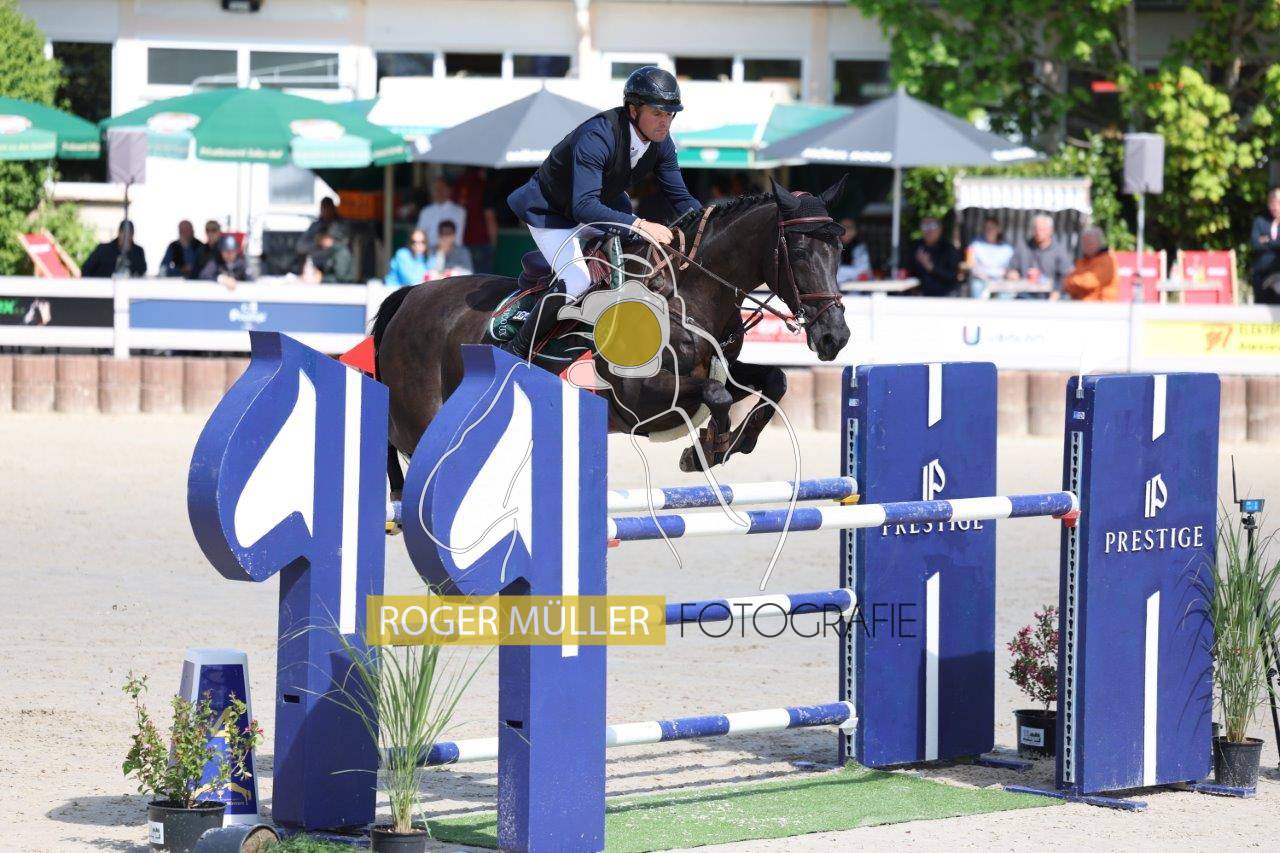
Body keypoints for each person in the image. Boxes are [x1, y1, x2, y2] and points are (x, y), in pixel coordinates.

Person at [504, 65, 702, 358]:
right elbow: (584, 206)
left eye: (671, 114)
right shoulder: (597, 136)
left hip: (600, 207)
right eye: (658, 113)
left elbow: (681, 197)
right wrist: (640, 224)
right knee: (578, 280)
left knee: (641, 259)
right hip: (552, 213)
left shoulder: (661, 144)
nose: (666, 122)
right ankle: (516, 350)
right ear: (633, 110)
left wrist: (710, 224)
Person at [1008, 213, 1073, 297]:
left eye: (1042, 229)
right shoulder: (1023, 247)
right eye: (1036, 229)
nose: (1039, 232)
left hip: (1050, 296)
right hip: (1025, 295)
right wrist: (1012, 273)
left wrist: (1056, 292)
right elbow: (1011, 268)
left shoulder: (1059, 251)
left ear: (1051, 230)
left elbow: (1067, 274)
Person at [901, 217, 960, 297]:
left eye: (932, 226)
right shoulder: (916, 247)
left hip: (944, 295)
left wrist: (930, 267)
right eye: (925, 227)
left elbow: (952, 276)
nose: (929, 231)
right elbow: (908, 271)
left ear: (940, 229)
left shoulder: (948, 249)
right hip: (920, 296)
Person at [455, 167, 499, 273]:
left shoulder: (458, 185)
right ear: (482, 170)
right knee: (483, 280)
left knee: (463, 279)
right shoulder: (483, 187)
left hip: (459, 242)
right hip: (480, 242)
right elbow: (489, 217)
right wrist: (493, 243)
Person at [1063, 227, 1119, 302]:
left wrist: (1072, 281)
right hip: (1081, 304)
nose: (1087, 246)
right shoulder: (1083, 261)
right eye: (1084, 242)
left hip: (1102, 305)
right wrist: (1071, 282)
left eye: (1090, 242)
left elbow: (1091, 281)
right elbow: (1066, 284)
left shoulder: (1107, 259)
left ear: (1099, 242)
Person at [966, 217, 1014, 298]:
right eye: (987, 228)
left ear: (998, 229)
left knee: (1008, 291)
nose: (989, 231)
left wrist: (1008, 274)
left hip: (1001, 280)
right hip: (981, 279)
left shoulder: (1007, 248)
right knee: (976, 286)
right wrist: (979, 273)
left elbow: (1011, 267)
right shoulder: (975, 244)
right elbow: (970, 264)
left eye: (992, 228)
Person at [82, 220, 147, 278]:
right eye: (124, 234)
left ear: (132, 235)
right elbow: (85, 270)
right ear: (119, 233)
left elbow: (141, 272)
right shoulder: (103, 250)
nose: (126, 238)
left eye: (129, 235)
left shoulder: (138, 252)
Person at [1249, 187, 1280, 304]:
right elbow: (1255, 244)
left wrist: (1266, 241)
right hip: (1261, 275)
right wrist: (1275, 243)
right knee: (1261, 307)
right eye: (1272, 203)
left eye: (1278, 203)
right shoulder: (1260, 221)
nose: (1275, 207)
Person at [416, 178, 467, 248]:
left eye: (442, 188)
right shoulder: (425, 212)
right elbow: (420, 235)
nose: (439, 192)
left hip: (451, 251)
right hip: (429, 251)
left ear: (449, 191)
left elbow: (458, 238)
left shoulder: (459, 211)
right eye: (435, 189)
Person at [836, 217, 871, 283]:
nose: (845, 231)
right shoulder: (832, 247)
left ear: (855, 231)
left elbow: (863, 271)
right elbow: (831, 271)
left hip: (856, 286)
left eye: (849, 228)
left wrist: (841, 272)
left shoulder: (860, 247)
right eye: (842, 228)